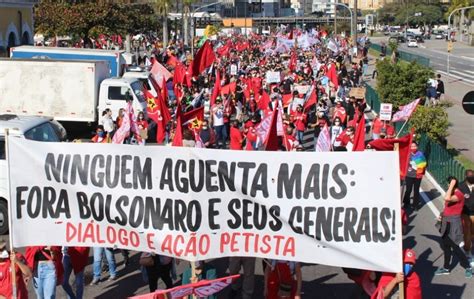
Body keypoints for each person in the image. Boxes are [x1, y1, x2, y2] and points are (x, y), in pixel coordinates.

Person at [435, 177, 473, 278]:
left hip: (453, 224)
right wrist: (442, 214)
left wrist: (451, 185)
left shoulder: (458, 195)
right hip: (446, 222)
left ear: (451, 184)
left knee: (454, 246)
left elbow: (446, 198)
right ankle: (446, 268)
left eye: (448, 184)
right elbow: (447, 206)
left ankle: (468, 267)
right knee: (446, 246)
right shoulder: (452, 193)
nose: (448, 186)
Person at [402, 142, 427, 209]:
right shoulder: (407, 154)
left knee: (416, 190)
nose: (413, 148)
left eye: (414, 146)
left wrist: (420, 171)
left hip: (417, 176)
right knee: (408, 189)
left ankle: (415, 205)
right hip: (409, 175)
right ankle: (406, 203)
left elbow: (424, 164)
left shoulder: (420, 154)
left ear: (417, 147)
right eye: (411, 146)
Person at [459, 169, 474, 266]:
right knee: (467, 232)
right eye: (470, 177)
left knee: (472, 233)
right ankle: (467, 249)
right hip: (465, 214)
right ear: (466, 177)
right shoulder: (461, 187)